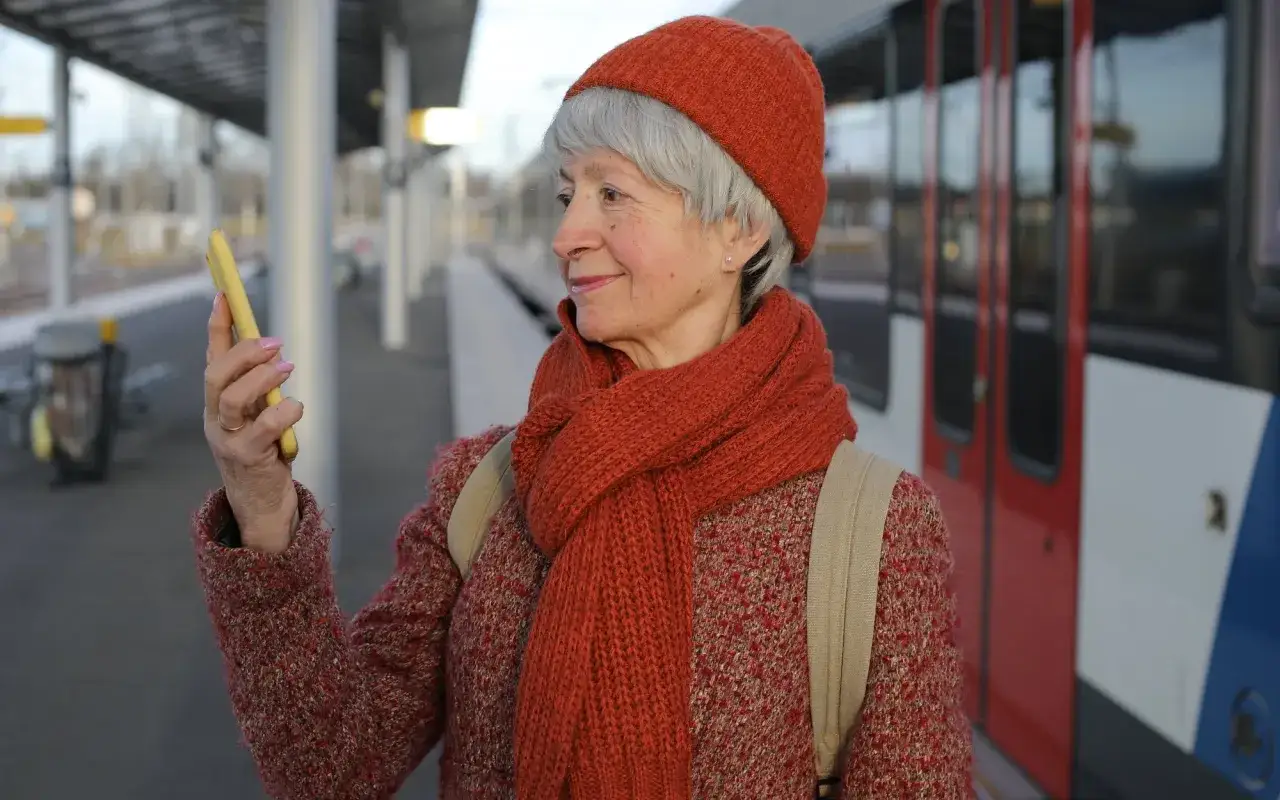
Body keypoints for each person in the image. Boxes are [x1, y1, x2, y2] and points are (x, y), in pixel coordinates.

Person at [194, 15, 972, 800]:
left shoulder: (873, 536)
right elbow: (328, 767)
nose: (566, 234)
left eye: (612, 194)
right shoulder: (484, 489)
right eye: (569, 194)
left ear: (737, 229)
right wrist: (261, 509)